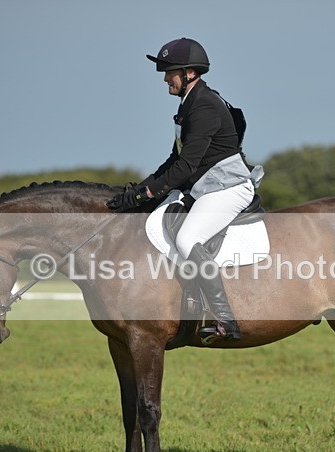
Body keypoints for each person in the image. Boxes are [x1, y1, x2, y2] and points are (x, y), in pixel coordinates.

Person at [107, 37, 263, 342]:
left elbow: (186, 166)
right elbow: (174, 159)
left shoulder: (203, 105)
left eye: (170, 72)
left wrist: (146, 194)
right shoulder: (188, 103)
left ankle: (224, 318)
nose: (165, 77)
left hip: (228, 187)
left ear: (189, 72)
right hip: (207, 186)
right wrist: (141, 190)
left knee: (187, 237)